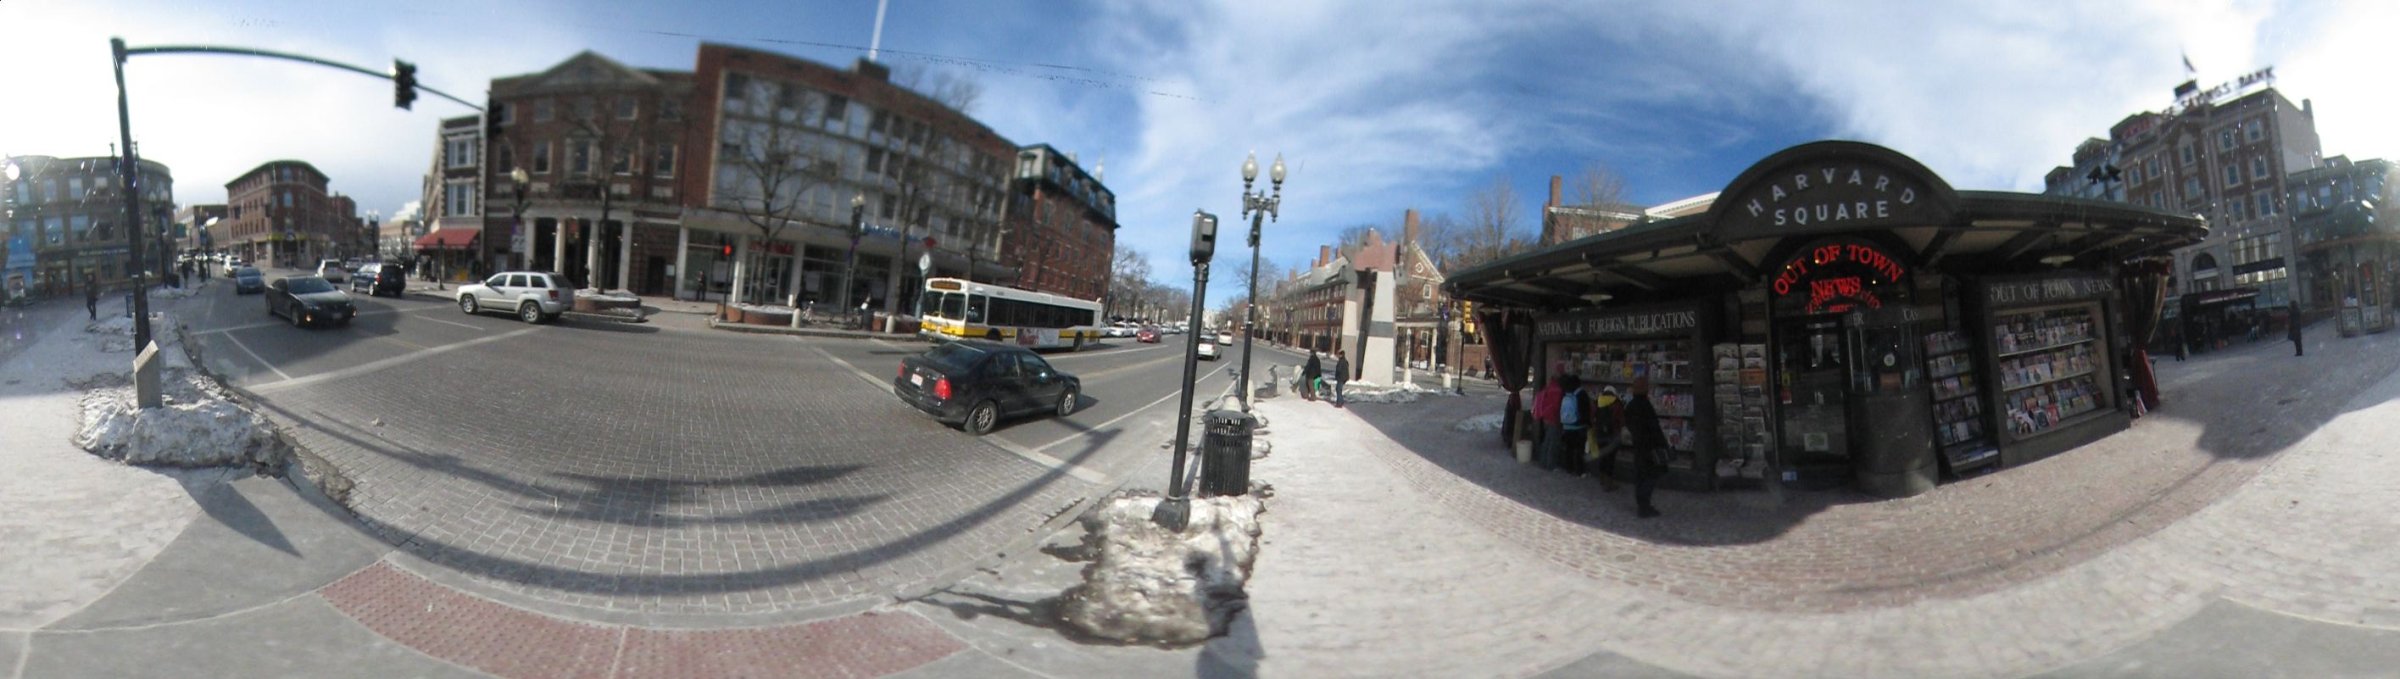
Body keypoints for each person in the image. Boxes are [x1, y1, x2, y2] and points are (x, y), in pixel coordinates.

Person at [1620, 375, 1667, 518]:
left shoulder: (1631, 405)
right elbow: (1654, 427)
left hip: (1638, 445)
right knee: (1650, 476)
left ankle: (1642, 503)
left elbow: (1627, 422)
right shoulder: (1645, 405)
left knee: (1641, 475)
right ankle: (1644, 505)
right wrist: (1662, 444)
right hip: (1650, 446)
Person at [1555, 374, 1589, 477]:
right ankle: (1580, 471)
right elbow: (1585, 411)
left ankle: (1569, 468)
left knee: (1569, 449)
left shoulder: (1566, 393)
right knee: (1579, 450)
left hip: (1567, 426)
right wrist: (1588, 423)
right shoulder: (1582, 394)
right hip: (1579, 426)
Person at [1530, 370, 1564, 470]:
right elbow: (1557, 407)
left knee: (1547, 440)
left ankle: (1543, 461)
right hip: (1553, 418)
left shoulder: (1548, 387)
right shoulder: (1558, 391)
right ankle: (1550, 464)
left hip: (1545, 418)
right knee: (1552, 442)